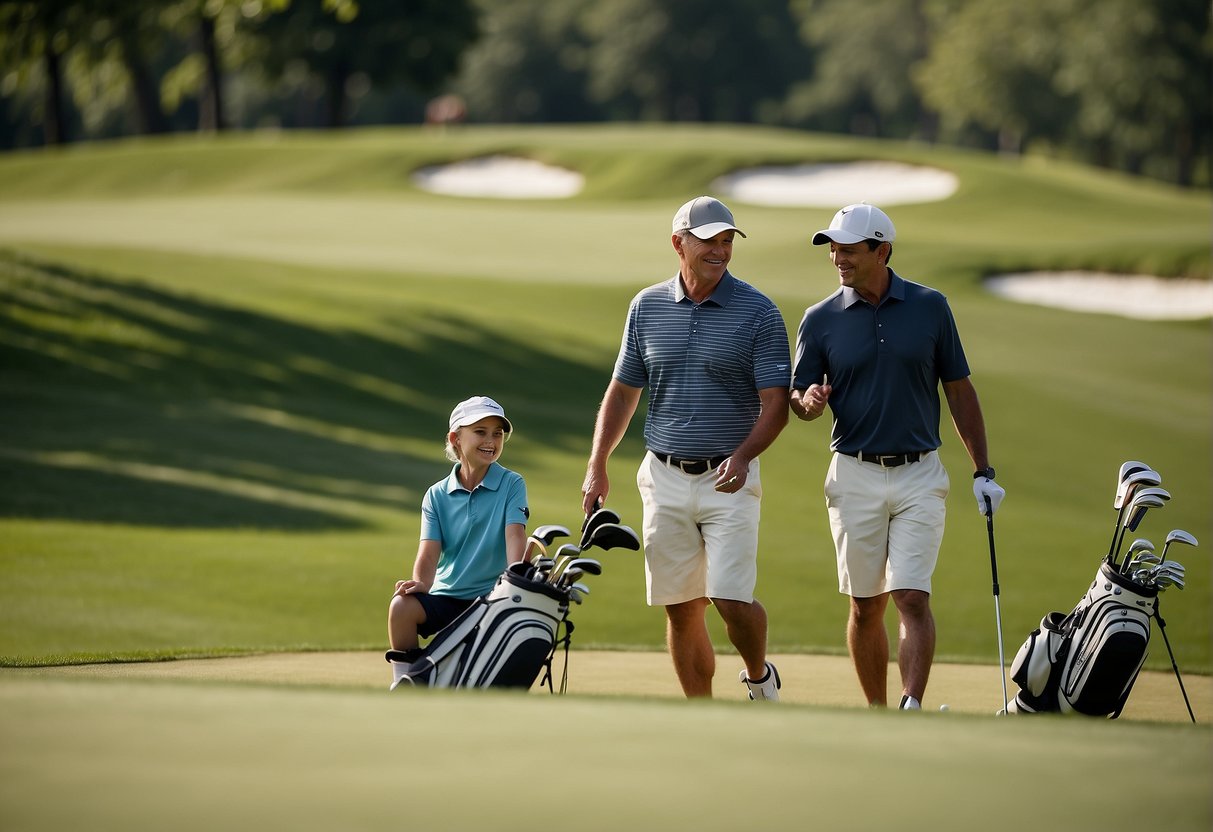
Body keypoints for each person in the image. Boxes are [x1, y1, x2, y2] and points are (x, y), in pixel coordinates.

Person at [790, 202, 1006, 710]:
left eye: (849, 249)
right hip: (853, 473)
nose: (838, 258)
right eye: (833, 249)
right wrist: (809, 402)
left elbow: (958, 389)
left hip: (919, 474)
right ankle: (878, 714)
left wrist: (982, 470)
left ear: (881, 250)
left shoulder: (931, 307)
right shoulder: (819, 320)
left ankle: (910, 704)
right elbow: (799, 398)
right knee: (866, 607)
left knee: (911, 596)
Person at [582, 196, 791, 700]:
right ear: (679, 243)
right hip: (664, 475)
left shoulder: (759, 312)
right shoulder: (646, 306)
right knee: (680, 604)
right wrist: (597, 465)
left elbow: (776, 405)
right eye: (709, 241)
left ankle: (760, 675)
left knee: (730, 599)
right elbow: (624, 391)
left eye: (727, 242)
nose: (720, 251)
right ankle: (701, 713)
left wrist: (742, 458)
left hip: (730, 477)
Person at [387, 396, 529, 685]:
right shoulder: (436, 495)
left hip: (492, 599)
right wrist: (421, 583)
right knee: (400, 607)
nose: (491, 440)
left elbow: (515, 535)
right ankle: (407, 683)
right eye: (480, 432)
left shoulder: (512, 483)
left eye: (497, 433)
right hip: (447, 597)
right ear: (455, 438)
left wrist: (516, 578)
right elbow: (428, 553)